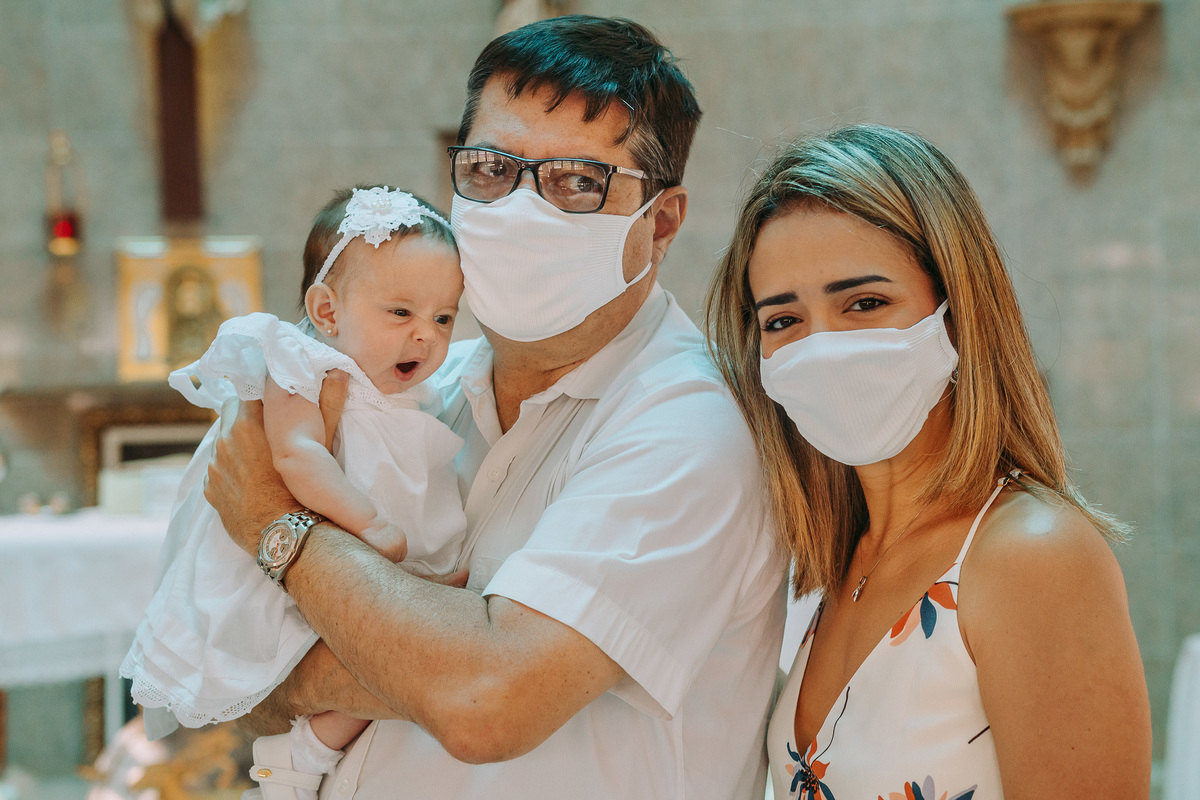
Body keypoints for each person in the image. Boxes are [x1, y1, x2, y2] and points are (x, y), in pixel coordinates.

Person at [201, 15, 786, 800]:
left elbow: (485, 701)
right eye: (488, 170)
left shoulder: (686, 423)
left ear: (663, 222)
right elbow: (236, 672)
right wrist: (402, 655)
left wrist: (278, 527)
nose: (518, 209)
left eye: (577, 181)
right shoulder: (421, 391)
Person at [705, 124, 1152, 798]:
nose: (822, 347)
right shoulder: (831, 568)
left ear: (955, 314)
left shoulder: (1032, 556)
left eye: (865, 303)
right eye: (783, 321)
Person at [121, 185, 468, 800]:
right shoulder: (302, 361)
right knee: (356, 654)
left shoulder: (415, 391)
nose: (427, 337)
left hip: (371, 560)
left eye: (443, 317)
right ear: (328, 312)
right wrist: (372, 524)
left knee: (400, 658)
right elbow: (295, 455)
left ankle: (305, 753)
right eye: (401, 313)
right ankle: (301, 755)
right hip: (318, 546)